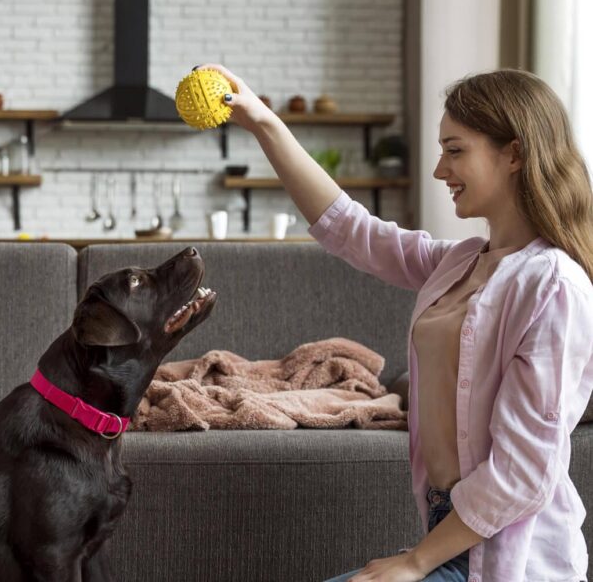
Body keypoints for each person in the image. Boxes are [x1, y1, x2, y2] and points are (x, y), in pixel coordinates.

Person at [198, 64, 593, 581]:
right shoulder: (461, 261)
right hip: (447, 533)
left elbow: (523, 473)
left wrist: (415, 561)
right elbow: (351, 230)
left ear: (514, 154)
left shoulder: (552, 286)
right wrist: (264, 123)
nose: (439, 170)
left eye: (455, 150)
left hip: (509, 560)